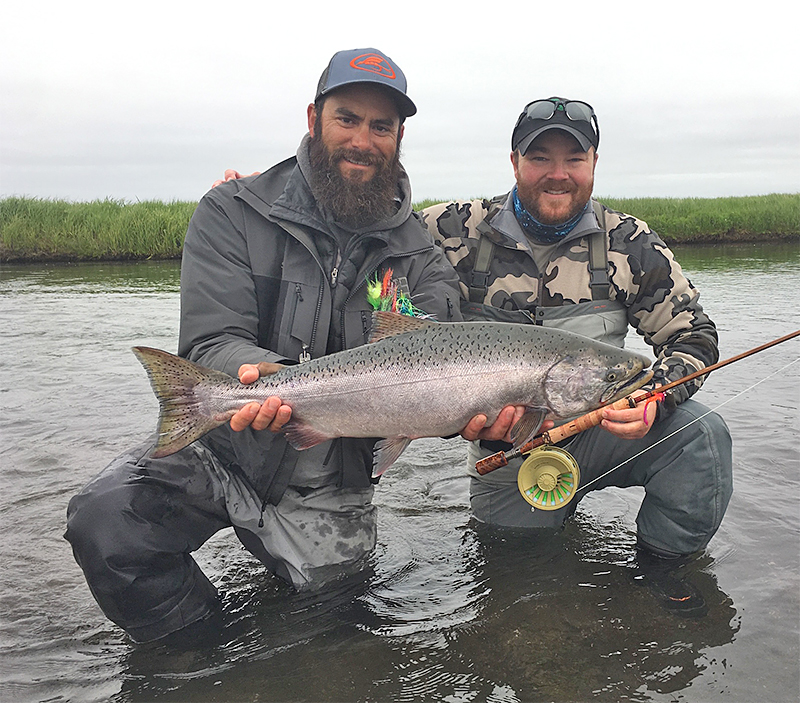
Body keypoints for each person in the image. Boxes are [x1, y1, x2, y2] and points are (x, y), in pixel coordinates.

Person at [64, 48, 514, 643]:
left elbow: (431, 362)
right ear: (313, 118)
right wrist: (260, 378)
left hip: (334, 475)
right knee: (105, 518)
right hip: (225, 447)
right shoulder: (231, 211)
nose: (363, 138)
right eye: (346, 118)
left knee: (334, 633)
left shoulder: (419, 258)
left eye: (381, 126)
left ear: (399, 137)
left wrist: (482, 419)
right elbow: (211, 340)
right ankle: (197, 653)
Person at [420, 98, 733, 573]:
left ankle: (664, 583)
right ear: (514, 162)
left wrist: (652, 397)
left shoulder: (629, 241)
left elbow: (694, 336)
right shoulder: (447, 230)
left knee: (701, 436)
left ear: (594, 163)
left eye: (574, 158)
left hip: (603, 430)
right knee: (517, 578)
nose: (558, 173)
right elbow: (383, 296)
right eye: (540, 157)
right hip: (504, 453)